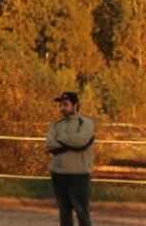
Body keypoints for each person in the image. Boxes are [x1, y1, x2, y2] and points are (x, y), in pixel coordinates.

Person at [45, 91, 95, 226]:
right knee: (64, 214)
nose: (62, 107)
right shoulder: (56, 125)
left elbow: (81, 141)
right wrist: (71, 144)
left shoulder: (86, 124)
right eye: (61, 105)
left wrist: (60, 140)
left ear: (75, 105)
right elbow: (49, 144)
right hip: (58, 174)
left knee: (82, 213)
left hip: (78, 175)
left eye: (65, 104)